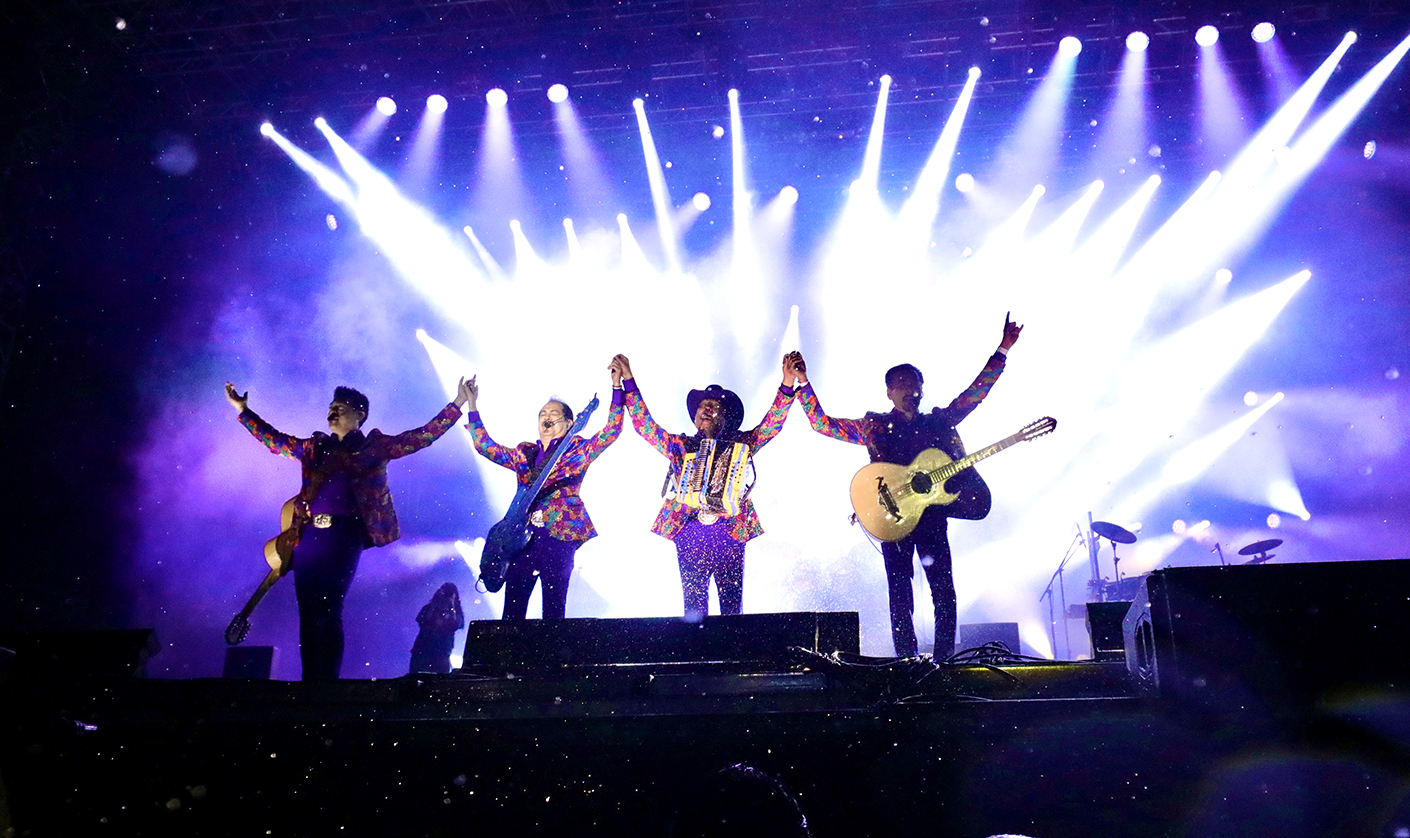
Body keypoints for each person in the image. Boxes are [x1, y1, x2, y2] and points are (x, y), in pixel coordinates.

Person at [789, 314, 1022, 657]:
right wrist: (803, 383)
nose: (909, 390)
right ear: (889, 391)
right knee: (900, 592)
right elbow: (822, 424)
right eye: (901, 384)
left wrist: (1002, 350)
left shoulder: (937, 422)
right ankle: (906, 660)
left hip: (930, 517)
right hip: (891, 517)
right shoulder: (875, 426)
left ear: (921, 389)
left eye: (914, 384)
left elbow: (974, 396)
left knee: (943, 590)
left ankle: (944, 660)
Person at [225, 378, 472, 681]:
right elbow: (274, 440)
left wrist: (457, 404)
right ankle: (311, 681)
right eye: (331, 407)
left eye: (340, 408)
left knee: (328, 609)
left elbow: (419, 437)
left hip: (344, 536)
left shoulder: (374, 447)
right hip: (308, 537)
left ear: (359, 416)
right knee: (309, 612)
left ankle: (326, 683)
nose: (332, 412)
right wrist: (243, 411)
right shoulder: (315, 448)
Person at [613, 352, 802, 621]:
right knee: (693, 607)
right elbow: (645, 427)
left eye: (715, 406)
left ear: (726, 418)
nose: (707, 409)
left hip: (730, 532)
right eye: (703, 406)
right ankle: (697, 655)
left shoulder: (741, 443)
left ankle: (733, 657)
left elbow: (771, 426)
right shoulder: (680, 446)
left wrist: (786, 384)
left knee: (731, 607)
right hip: (689, 531)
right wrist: (628, 382)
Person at [462, 362, 624, 620]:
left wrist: (617, 388)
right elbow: (485, 446)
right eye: (542, 414)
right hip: (520, 537)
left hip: (559, 535)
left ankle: (551, 657)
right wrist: (472, 405)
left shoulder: (578, 450)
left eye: (554, 413)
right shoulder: (524, 453)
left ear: (571, 423)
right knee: (513, 610)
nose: (546, 417)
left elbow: (612, 431)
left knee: (553, 607)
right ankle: (508, 657)